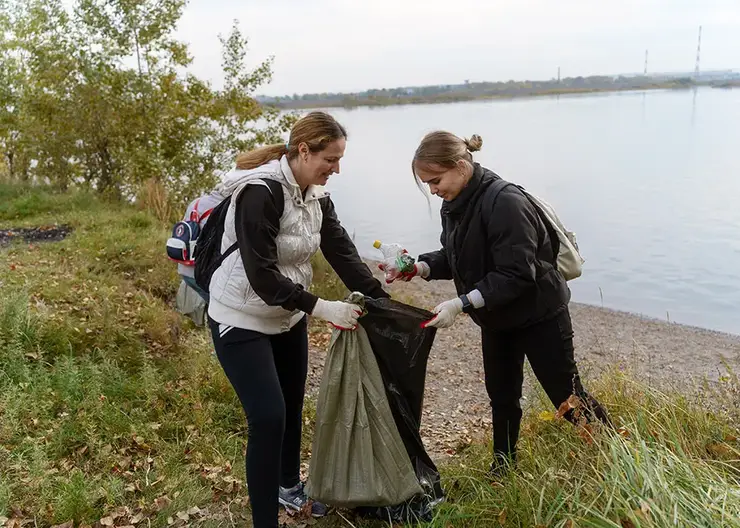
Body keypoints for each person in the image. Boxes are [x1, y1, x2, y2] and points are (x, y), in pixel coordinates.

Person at [384, 131, 609, 474]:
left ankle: (614, 454)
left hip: (539, 315)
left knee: (566, 395)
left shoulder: (504, 202)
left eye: (435, 180)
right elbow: (458, 256)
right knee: (502, 396)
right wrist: (419, 267)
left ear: (460, 166)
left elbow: (517, 273)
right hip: (496, 318)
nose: (432, 190)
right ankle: (502, 468)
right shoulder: (455, 201)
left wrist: (461, 304)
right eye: (427, 183)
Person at [206, 111, 390, 528]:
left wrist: (382, 300)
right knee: (268, 416)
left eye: (340, 160)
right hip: (241, 316)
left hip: (287, 318)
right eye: (331, 159)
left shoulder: (316, 193)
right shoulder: (259, 193)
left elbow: (341, 251)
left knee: (290, 406)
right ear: (304, 150)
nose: (337, 169)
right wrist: (325, 308)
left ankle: (288, 486)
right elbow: (263, 276)